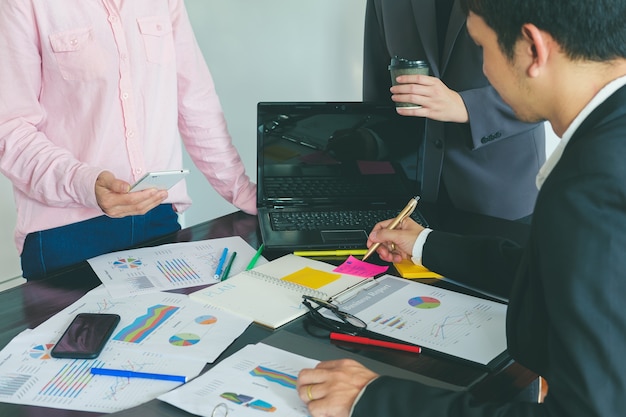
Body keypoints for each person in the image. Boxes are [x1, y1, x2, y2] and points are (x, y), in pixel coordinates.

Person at [296, 0, 626, 415]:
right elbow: (550, 272)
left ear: (533, 50)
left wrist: (375, 399)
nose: (484, 71)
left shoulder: (590, 190)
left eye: (482, 47)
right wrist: (424, 244)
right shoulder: (610, 141)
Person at [0, 1, 256, 279]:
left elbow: (196, 103)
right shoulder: (23, 4)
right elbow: (10, 129)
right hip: (64, 233)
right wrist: (84, 182)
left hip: (157, 217)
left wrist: (242, 191)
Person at [362, 0, 546, 221]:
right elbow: (378, 85)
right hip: (409, 196)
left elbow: (553, 86)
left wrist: (465, 107)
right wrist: (371, 139)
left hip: (500, 196)